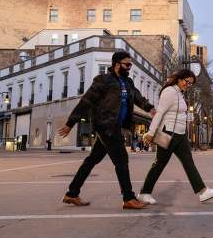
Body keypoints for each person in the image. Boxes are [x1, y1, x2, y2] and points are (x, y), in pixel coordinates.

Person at [58, 51, 156, 210]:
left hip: (115, 126)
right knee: (122, 160)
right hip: (106, 126)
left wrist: (150, 108)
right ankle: (128, 198)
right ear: (117, 64)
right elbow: (86, 101)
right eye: (127, 64)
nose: (129, 67)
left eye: (130, 64)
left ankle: (72, 193)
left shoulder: (128, 82)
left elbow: (138, 97)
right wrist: (71, 123)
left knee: (92, 160)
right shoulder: (103, 80)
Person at [139, 70, 213, 204]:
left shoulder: (179, 93)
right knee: (160, 163)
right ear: (179, 79)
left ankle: (202, 192)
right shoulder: (170, 92)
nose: (188, 85)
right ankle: (144, 193)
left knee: (188, 162)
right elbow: (160, 113)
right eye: (186, 81)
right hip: (168, 132)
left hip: (180, 133)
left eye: (190, 83)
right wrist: (150, 132)